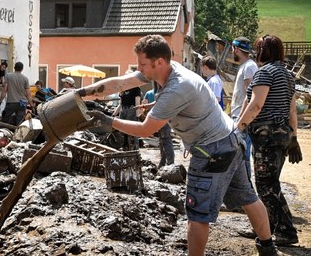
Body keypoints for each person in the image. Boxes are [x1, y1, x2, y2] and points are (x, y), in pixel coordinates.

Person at [77, 34, 278, 255]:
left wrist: (107, 121)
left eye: (142, 64)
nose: (138, 68)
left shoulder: (176, 88)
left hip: (212, 151)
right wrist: (82, 94)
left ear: (159, 62)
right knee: (248, 198)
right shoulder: (167, 72)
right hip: (230, 140)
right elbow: (120, 83)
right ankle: (268, 247)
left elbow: (146, 129)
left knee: (197, 213)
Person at [236, 35, 302, 247]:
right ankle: (266, 227)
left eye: (258, 48)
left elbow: (255, 105)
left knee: (265, 184)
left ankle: (286, 231)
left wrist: (238, 129)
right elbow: (292, 110)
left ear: (263, 50)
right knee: (270, 182)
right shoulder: (287, 75)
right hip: (281, 135)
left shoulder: (264, 73)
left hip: (267, 135)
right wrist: (293, 137)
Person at [230, 36, 258, 178]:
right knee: (240, 155)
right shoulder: (245, 66)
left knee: (243, 155)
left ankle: (247, 191)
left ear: (236, 49)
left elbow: (250, 95)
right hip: (239, 116)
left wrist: (241, 120)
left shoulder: (249, 67)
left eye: (232, 48)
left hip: (242, 118)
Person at [142, 87, 174, 167]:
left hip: (155, 119)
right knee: (166, 140)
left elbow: (145, 106)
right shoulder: (165, 92)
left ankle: (168, 163)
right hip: (165, 119)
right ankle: (167, 162)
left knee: (162, 141)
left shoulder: (149, 93)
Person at [112, 70, 141, 150]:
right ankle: (125, 149)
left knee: (132, 131)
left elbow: (137, 102)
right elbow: (121, 103)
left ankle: (134, 149)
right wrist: (115, 113)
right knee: (122, 131)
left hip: (131, 110)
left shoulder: (136, 88)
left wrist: (138, 114)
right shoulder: (123, 89)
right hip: (123, 110)